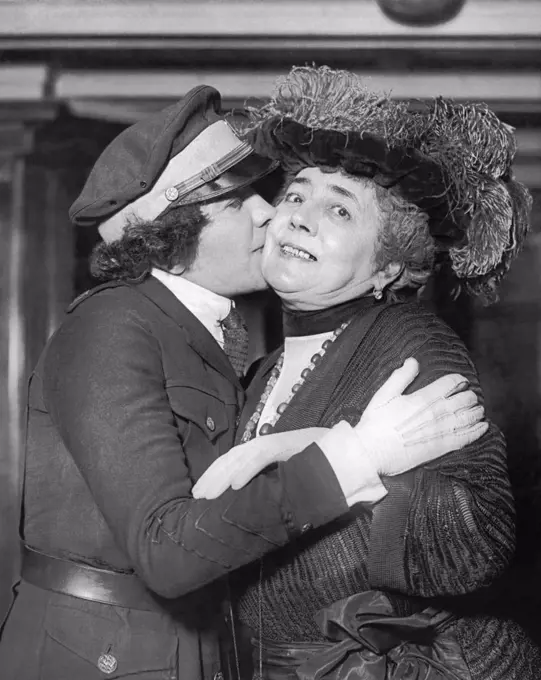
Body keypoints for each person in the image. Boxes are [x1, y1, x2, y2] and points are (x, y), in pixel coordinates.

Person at [0, 85, 486, 680]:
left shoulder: (213, 336)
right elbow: (168, 552)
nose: (270, 212)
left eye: (266, 193)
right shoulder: (114, 324)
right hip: (105, 655)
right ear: (171, 234)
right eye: (236, 202)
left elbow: (469, 531)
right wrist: (350, 455)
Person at [192, 66, 541, 678]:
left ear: (387, 268)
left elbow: (476, 540)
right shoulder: (266, 364)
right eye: (295, 195)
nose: (299, 217)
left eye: (341, 211)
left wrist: (335, 450)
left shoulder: (413, 343)